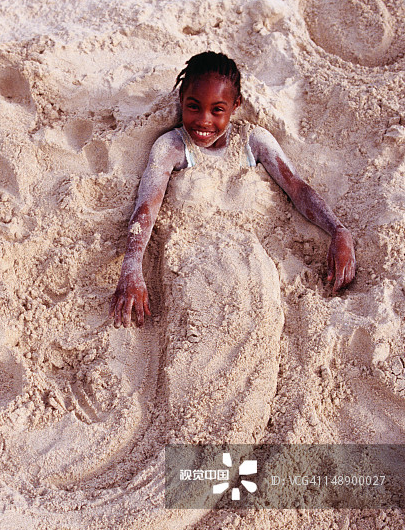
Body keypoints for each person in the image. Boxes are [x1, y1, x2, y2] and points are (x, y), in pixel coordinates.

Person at [110, 51, 356, 329]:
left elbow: (297, 188)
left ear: (235, 105)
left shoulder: (253, 141)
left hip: (255, 275)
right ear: (181, 100)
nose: (204, 121)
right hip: (194, 274)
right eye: (193, 106)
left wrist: (338, 231)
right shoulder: (172, 147)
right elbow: (147, 206)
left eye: (217, 110)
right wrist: (132, 268)